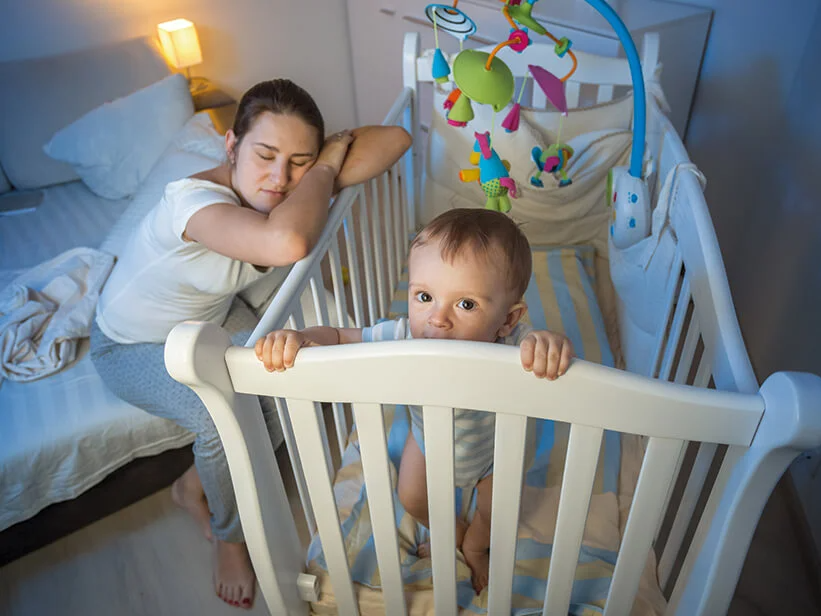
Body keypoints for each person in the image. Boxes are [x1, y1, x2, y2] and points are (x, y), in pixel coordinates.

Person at [89, 78, 411, 609]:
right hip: (130, 343)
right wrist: (325, 166)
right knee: (221, 417)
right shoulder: (192, 203)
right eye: (264, 155)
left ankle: (192, 483)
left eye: (298, 161)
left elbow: (397, 138)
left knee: (282, 375)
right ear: (231, 146)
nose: (279, 179)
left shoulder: (284, 184)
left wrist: (326, 157)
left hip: (208, 317)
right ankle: (230, 536)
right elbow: (288, 241)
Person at [255, 208, 575, 593]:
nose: (437, 319)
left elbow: (542, 348)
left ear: (507, 319)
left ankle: (474, 547)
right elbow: (340, 337)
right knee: (411, 498)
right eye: (425, 297)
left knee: (498, 513)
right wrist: (302, 337)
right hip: (427, 442)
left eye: (466, 304)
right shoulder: (406, 335)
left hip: (494, 452)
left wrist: (549, 344)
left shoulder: (512, 344)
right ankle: (451, 530)